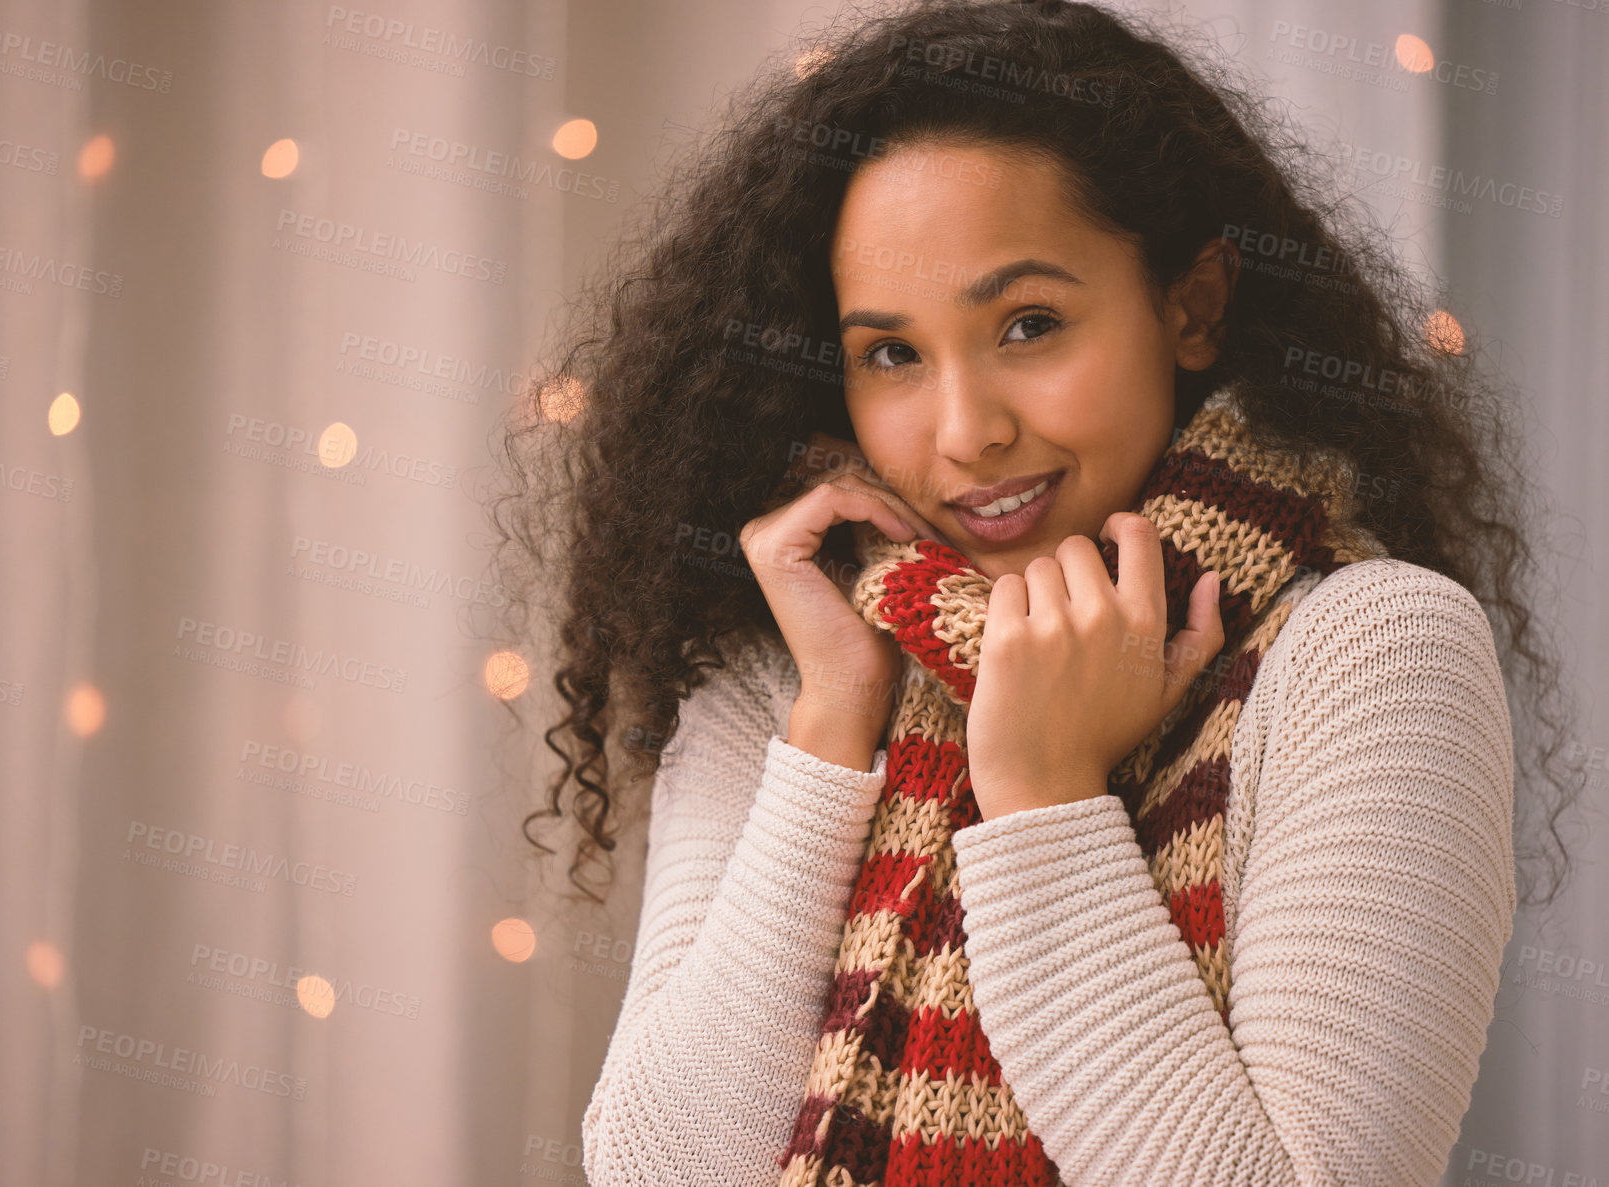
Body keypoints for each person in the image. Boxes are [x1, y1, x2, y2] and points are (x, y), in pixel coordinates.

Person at [488, 1, 1582, 1184]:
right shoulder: (797, 670)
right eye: (891, 353)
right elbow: (662, 1171)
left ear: (1192, 306)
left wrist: (1044, 796)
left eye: (1028, 323)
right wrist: (827, 736)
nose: (967, 432)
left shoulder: (1372, 652)